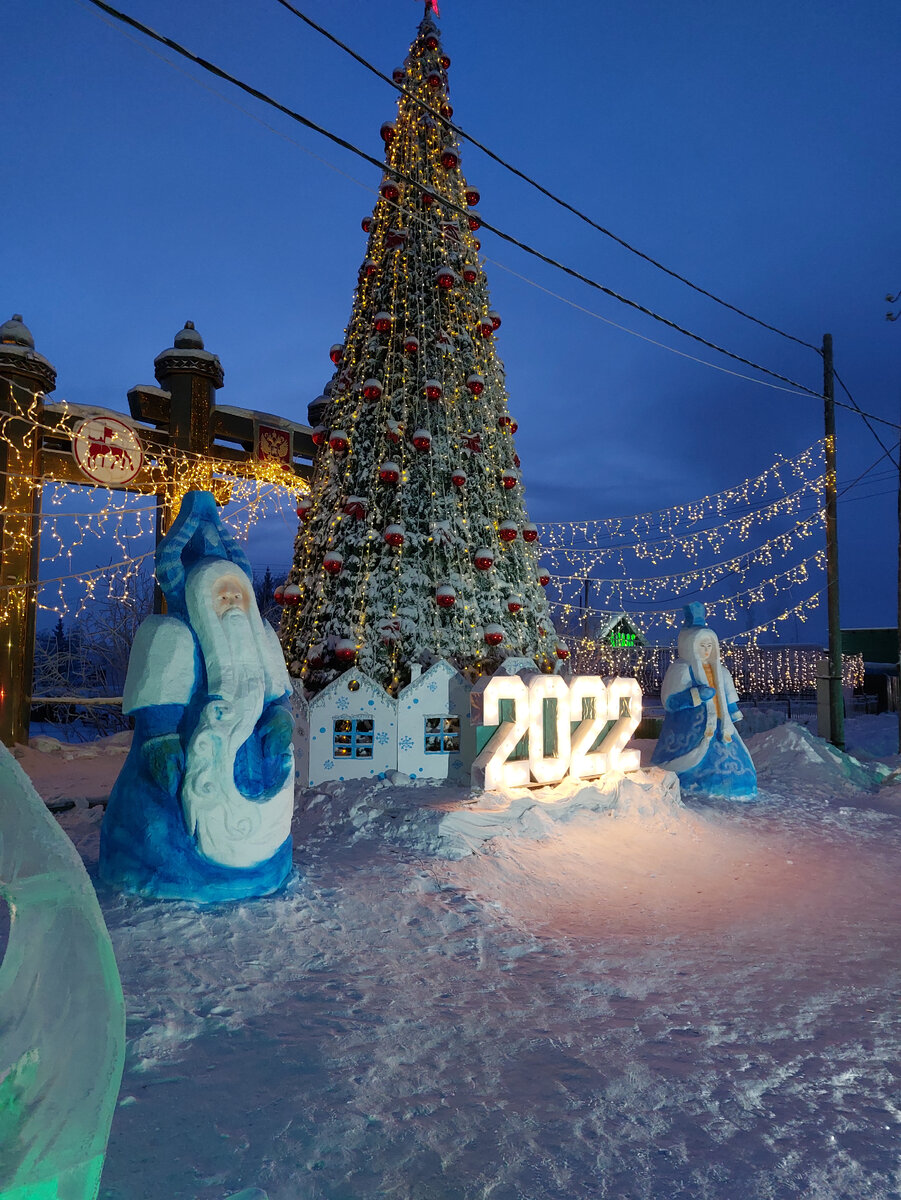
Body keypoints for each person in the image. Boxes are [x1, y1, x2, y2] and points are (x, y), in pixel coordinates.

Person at [99, 491, 296, 901]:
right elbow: (158, 707)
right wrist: (161, 738)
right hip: (184, 770)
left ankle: (261, 864)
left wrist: (280, 718)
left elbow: (278, 698)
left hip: (254, 771)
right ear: (200, 601)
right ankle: (162, 871)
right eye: (220, 596)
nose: (231, 603)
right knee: (161, 825)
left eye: (236, 595)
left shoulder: (262, 640)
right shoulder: (172, 634)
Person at [651, 603, 757, 799]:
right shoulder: (681, 669)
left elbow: (728, 698)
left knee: (737, 770)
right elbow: (670, 702)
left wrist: (732, 714)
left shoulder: (722, 672)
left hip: (721, 729)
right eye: (702, 645)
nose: (706, 650)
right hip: (690, 729)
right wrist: (696, 696)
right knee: (691, 764)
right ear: (690, 645)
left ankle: (736, 788)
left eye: (710, 645)